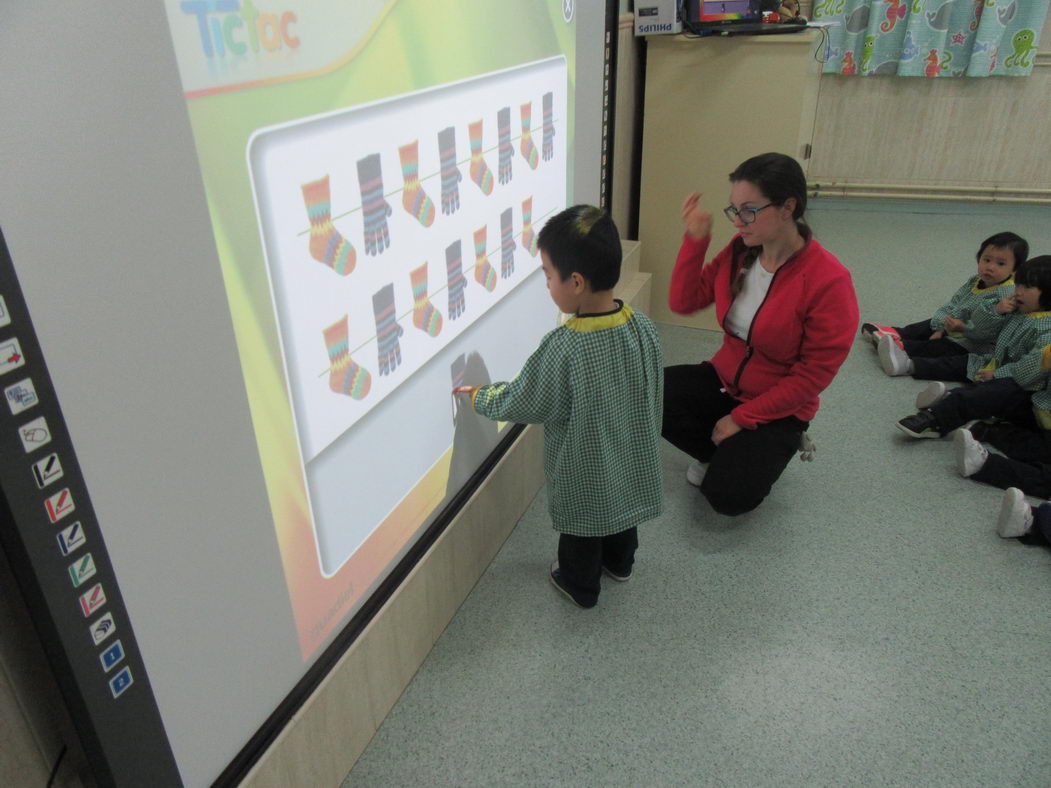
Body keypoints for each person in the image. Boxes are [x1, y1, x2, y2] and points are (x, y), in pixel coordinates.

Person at [453, 205, 663, 608]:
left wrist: (481, 396)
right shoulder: (642, 327)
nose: (547, 284)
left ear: (577, 282)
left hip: (587, 471)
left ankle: (579, 586)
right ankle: (620, 564)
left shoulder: (565, 348)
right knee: (622, 519)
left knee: (582, 531)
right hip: (630, 458)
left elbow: (526, 400)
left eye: (548, 276)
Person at [662, 152, 858, 516]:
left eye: (749, 210)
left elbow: (813, 375)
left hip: (780, 407)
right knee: (648, 393)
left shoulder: (829, 280)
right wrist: (696, 239)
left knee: (727, 499)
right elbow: (683, 301)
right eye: (733, 210)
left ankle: (767, 448)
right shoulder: (741, 252)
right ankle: (722, 454)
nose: (738, 222)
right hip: (725, 380)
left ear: (788, 207)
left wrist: (742, 418)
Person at [895, 256, 1051, 439]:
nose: (1018, 292)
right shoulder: (1019, 310)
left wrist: (999, 374)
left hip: (1024, 388)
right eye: (1018, 285)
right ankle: (930, 381)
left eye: (1027, 287)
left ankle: (935, 420)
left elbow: (1031, 370)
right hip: (995, 365)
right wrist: (997, 311)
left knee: (992, 393)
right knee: (964, 364)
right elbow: (979, 330)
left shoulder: (1047, 328)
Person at [870, 231, 1028, 382]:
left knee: (943, 348)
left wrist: (963, 328)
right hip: (956, 327)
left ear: (1014, 269)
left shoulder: (1006, 296)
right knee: (932, 322)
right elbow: (955, 303)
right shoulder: (976, 280)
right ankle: (896, 333)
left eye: (1001, 264)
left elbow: (986, 332)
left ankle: (902, 348)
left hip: (974, 342)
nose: (990, 267)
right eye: (986, 260)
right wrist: (941, 326)